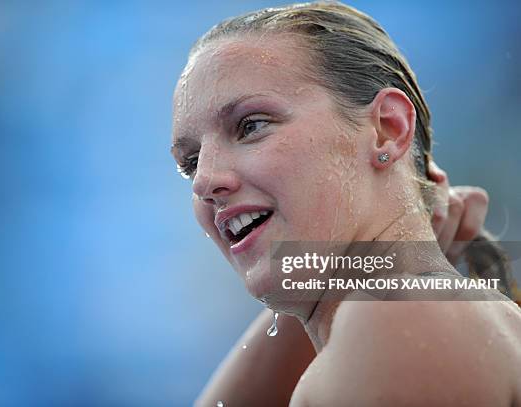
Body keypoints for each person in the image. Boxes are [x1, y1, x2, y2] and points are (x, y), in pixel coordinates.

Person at [170, 2, 521, 406]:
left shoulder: (402, 318)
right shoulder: (408, 314)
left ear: (388, 130)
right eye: (190, 163)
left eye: (251, 126)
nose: (205, 181)